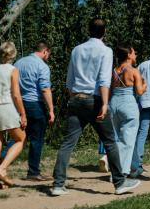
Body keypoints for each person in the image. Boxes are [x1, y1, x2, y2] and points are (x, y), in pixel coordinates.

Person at [51, 18, 140, 196]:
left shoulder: (76, 50)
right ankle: (120, 183)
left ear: (88, 30)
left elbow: (69, 79)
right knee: (110, 142)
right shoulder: (106, 51)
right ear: (104, 32)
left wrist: (74, 98)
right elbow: (103, 80)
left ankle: (58, 185)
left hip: (76, 99)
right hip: (95, 100)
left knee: (68, 143)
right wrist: (105, 103)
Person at [0, 41, 54, 181]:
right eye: (49, 53)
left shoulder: (18, 63)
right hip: (35, 104)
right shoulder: (42, 66)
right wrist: (51, 109)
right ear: (45, 51)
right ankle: (33, 172)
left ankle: (0, 162)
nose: (48, 56)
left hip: (19, 104)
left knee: (19, 137)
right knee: (36, 139)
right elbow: (45, 89)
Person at [0, 41, 27, 189]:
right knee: (20, 139)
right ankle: (2, 170)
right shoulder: (12, 70)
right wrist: (23, 114)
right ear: (13, 54)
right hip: (7, 107)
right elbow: (16, 94)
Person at [109, 44, 145, 175]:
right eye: (134, 53)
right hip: (128, 103)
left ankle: (114, 167)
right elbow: (140, 92)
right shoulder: (134, 70)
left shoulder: (113, 71)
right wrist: (145, 84)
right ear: (129, 54)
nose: (135, 55)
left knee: (116, 138)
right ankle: (121, 173)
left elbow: (109, 89)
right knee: (128, 140)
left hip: (113, 103)